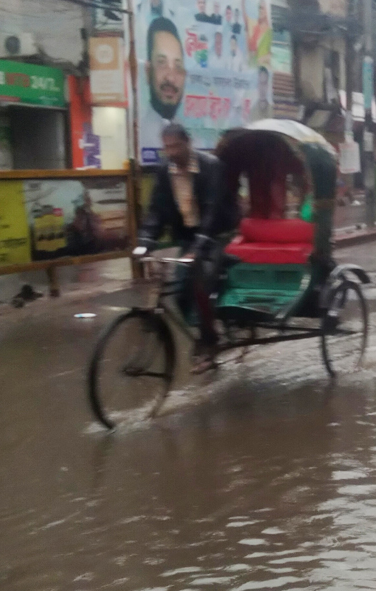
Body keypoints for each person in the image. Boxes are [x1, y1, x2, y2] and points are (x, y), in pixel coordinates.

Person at [136, 124, 239, 373]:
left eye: (175, 146)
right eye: (167, 147)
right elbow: (156, 211)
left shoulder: (211, 166)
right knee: (181, 292)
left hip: (217, 233)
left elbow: (213, 210)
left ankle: (210, 341)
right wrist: (145, 241)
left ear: (187, 143)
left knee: (201, 282)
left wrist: (200, 245)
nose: (171, 152)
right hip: (188, 236)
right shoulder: (163, 172)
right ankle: (203, 331)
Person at [144, 17, 185, 152]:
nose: (171, 78)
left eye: (177, 66)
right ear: (148, 71)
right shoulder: (140, 134)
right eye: (162, 63)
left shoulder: (186, 136)